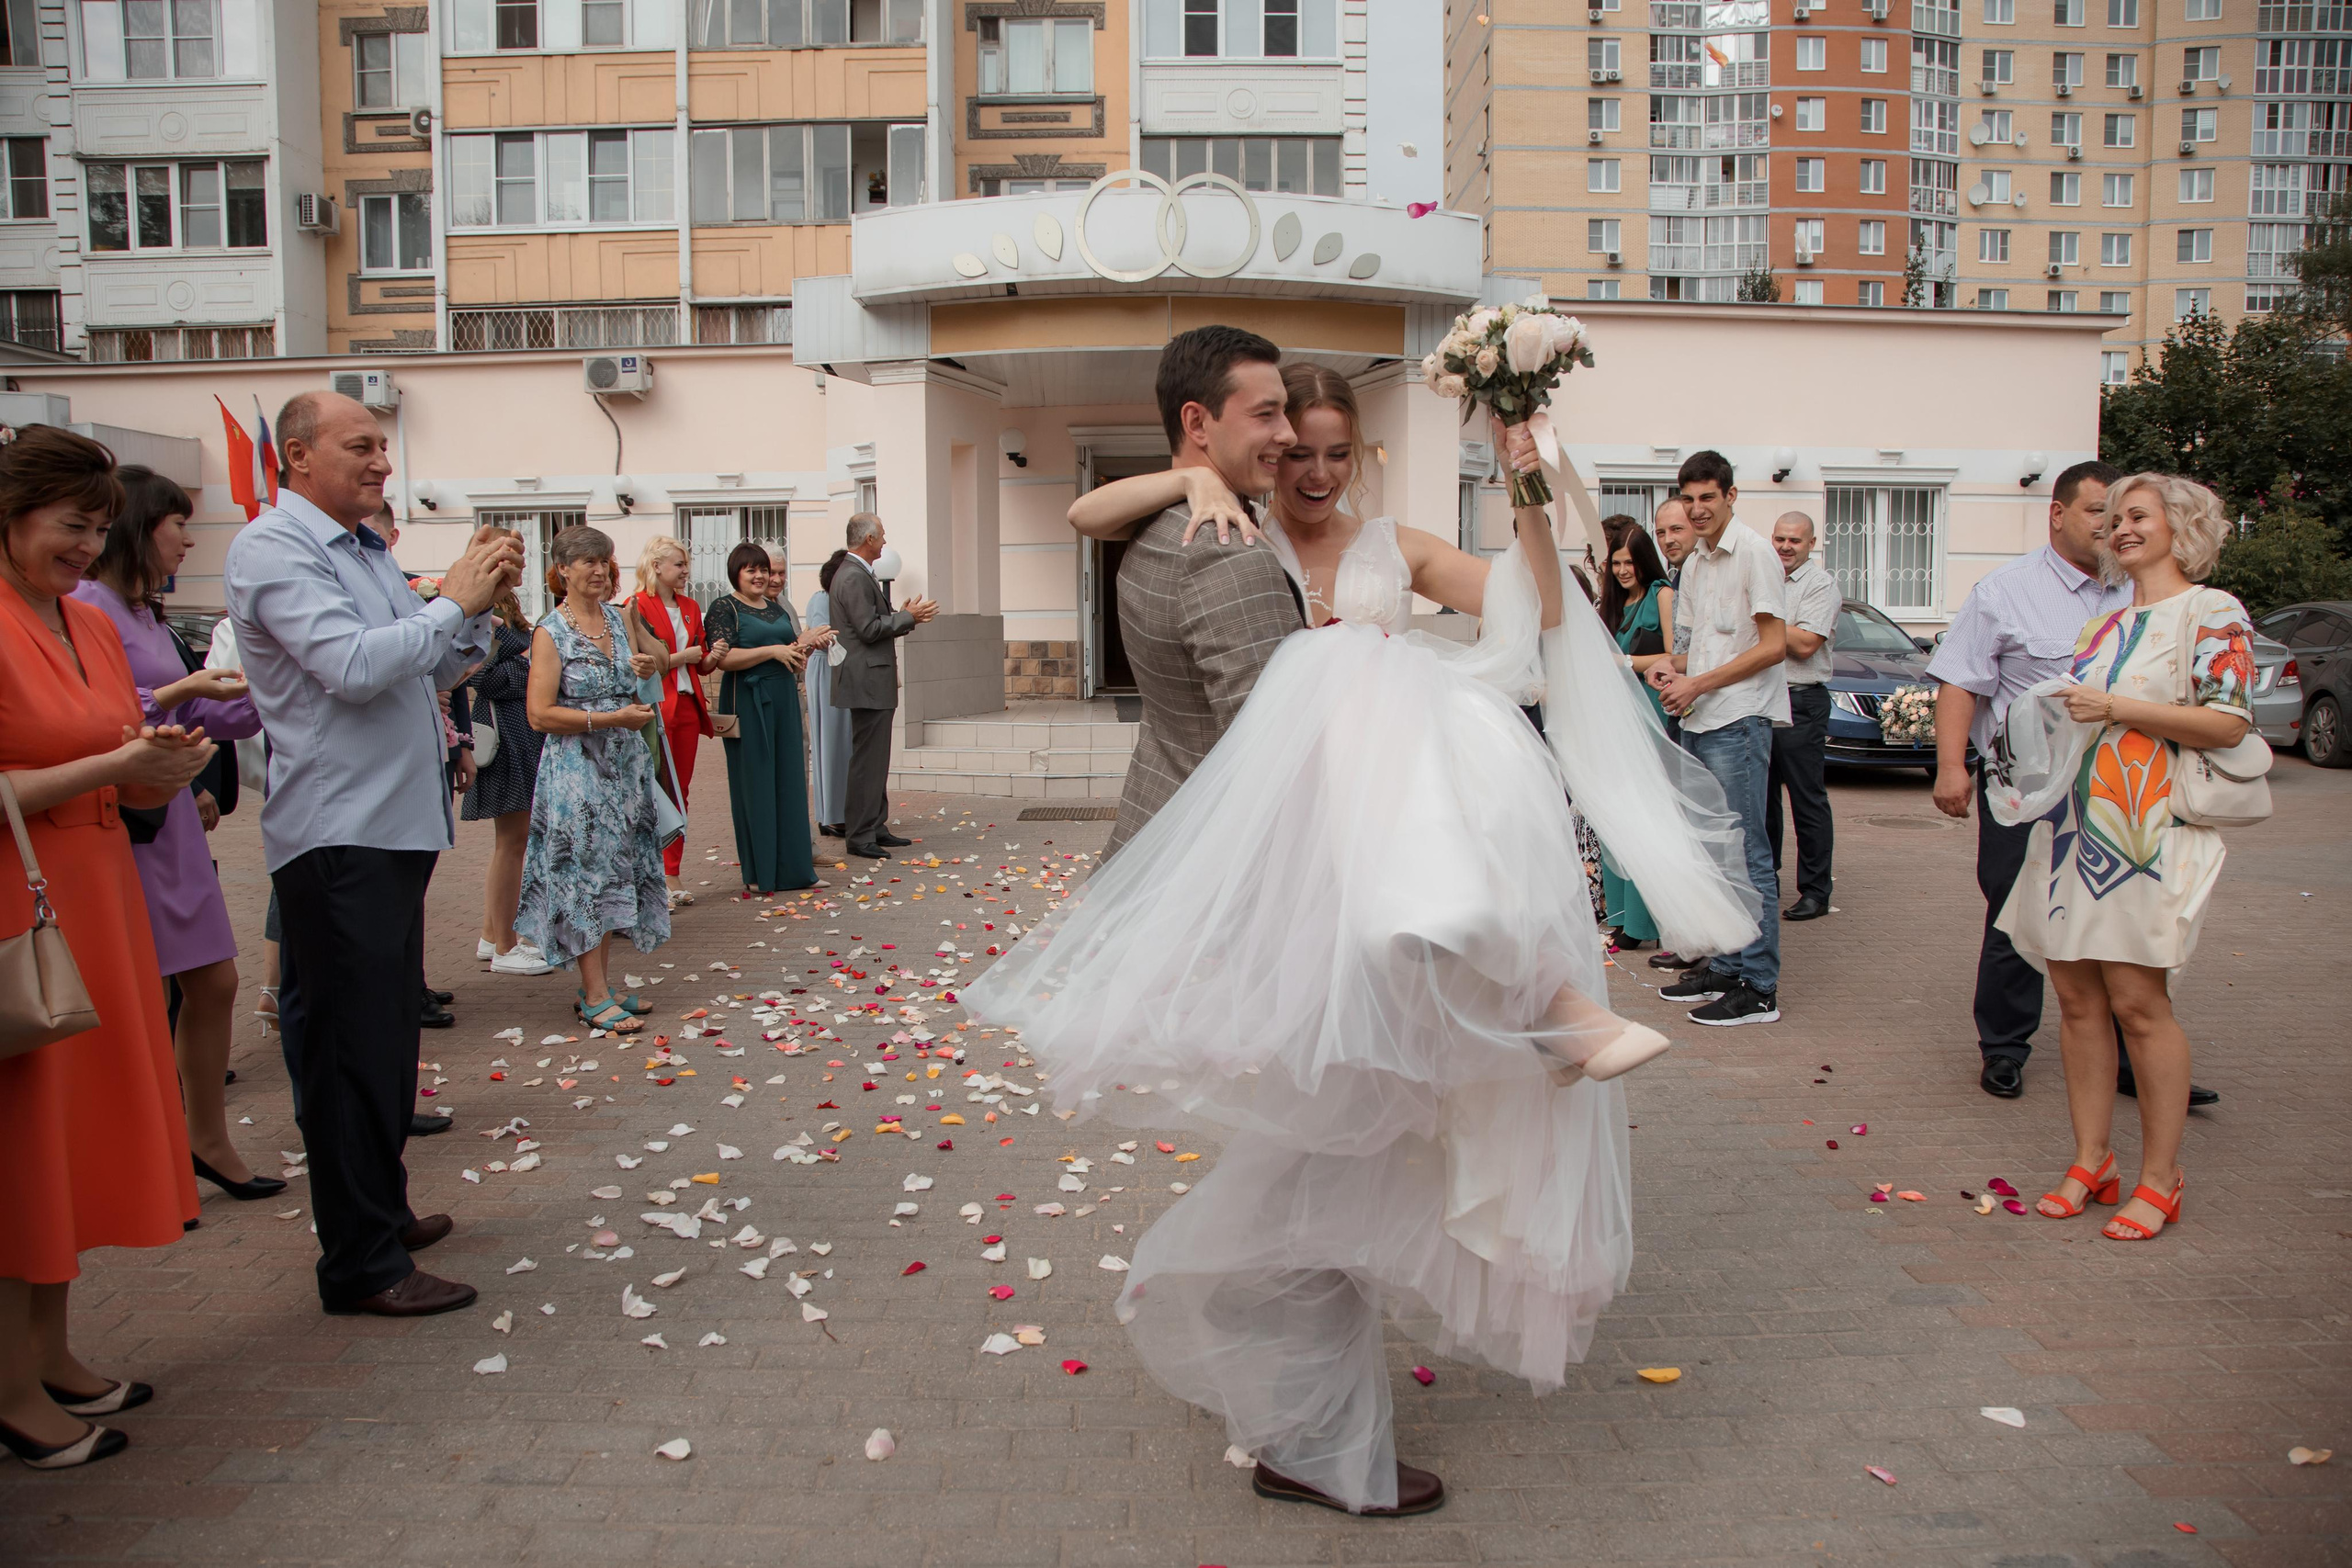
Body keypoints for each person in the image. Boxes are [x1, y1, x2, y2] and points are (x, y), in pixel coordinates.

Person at [1018, 329, 1757, 1518]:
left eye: (1330, 449)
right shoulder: (1229, 544)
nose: (1308, 466)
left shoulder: (1379, 545)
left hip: (1355, 869)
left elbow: (1542, 607)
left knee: (1331, 1142)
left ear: (1358, 455)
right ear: (1239, 442)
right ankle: (1291, 1398)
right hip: (1307, 881)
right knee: (1327, 1151)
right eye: (1285, 441)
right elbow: (1111, 529)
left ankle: (1276, 1370)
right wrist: (1191, 478)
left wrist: (1523, 477)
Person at [225, 389, 522, 1319]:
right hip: (338, 830)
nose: (382, 463)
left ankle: (380, 1212)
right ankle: (359, 1260)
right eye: (360, 446)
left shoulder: (362, 549)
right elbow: (351, 667)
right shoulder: (274, 548)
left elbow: (431, 665)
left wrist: (473, 610)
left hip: (392, 825)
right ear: (298, 455)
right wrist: (448, 602)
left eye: (382, 447)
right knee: (348, 1052)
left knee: (386, 1041)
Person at [0, 425, 211, 1470]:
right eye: (70, 527)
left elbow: (108, 746)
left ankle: (48, 1350)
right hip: (20, 907)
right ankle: (8, 1385)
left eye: (96, 529)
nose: (87, 548)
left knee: (70, 1138)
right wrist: (112, 770)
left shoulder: (80, 618)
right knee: (22, 1143)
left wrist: (157, 765)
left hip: (96, 895)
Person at [1995, 474, 2252, 1242]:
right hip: (2074, 828)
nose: (2121, 529)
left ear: (2181, 525)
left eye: (2138, 515)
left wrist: (2115, 707)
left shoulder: (2213, 611)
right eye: (2113, 519)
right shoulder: (2101, 628)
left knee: (2139, 1003)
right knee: (2076, 1000)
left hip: (2149, 833)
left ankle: (2161, 1178)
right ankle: (2092, 1160)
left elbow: (2228, 723)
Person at [1924, 462, 2215, 1109]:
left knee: (2121, 919)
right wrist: (1950, 767)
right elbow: (1961, 681)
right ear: (2057, 514)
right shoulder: (2006, 590)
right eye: (2100, 512)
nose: (2114, 527)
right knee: (2017, 913)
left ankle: (2134, 1057)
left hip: (2118, 792)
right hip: (2028, 788)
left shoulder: (2145, 591)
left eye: (2129, 515)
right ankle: (2005, 1047)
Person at [73, 465, 277, 1201]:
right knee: (147, 997)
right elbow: (103, 712)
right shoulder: (87, 604)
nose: (188, 539)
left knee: (214, 981)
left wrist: (267, 689)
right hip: (128, 823)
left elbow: (196, 714)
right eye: (179, 523)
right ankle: (158, 1155)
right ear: (139, 527)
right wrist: (185, 690)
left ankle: (202, 1140)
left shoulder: (144, 611)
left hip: (173, 824)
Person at [516, 527, 672, 1032]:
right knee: (585, 876)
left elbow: (653, 668)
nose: (600, 571)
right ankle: (595, 996)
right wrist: (607, 719)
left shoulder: (615, 618)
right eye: (588, 562)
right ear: (563, 569)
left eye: (605, 561)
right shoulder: (550, 631)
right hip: (578, 770)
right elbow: (539, 714)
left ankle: (596, 986)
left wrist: (643, 668)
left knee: (613, 872)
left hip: (624, 767)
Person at [1650, 452, 1788, 1026]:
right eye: (1689, 499)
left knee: (1748, 852)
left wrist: (1698, 683)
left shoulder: (1754, 553)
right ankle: (1728, 966)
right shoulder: (1696, 564)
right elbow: (1696, 651)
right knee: (1714, 849)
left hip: (1740, 719)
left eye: (1708, 497)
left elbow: (1774, 646)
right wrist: (1668, 669)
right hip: (1700, 718)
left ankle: (1759, 987)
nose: (1697, 509)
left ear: (1731, 496)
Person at [705, 541, 833, 894]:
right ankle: (760, 872)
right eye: (753, 570)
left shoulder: (775, 608)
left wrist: (807, 646)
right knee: (756, 784)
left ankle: (797, 871)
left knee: (790, 781)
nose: (761, 576)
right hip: (749, 699)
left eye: (764, 569)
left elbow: (789, 652)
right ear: (736, 573)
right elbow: (723, 659)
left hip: (784, 698)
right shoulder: (724, 607)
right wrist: (772, 651)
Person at [829, 515, 936, 859]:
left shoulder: (857, 572)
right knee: (868, 760)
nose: (885, 541)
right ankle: (860, 835)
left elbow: (873, 622)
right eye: (882, 535)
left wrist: (901, 615)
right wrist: (908, 618)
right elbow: (868, 629)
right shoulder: (852, 575)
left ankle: (875, 826)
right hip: (866, 681)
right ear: (869, 539)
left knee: (875, 758)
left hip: (870, 679)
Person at [626, 536, 720, 905]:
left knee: (679, 790)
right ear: (656, 566)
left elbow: (702, 661)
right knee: (651, 789)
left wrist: (714, 655)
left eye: (686, 564)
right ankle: (648, 877)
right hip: (653, 708)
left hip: (686, 706)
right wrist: (684, 657)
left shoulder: (691, 606)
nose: (685, 571)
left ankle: (671, 872)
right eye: (679, 564)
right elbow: (640, 659)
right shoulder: (636, 605)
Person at [1597, 525, 1675, 949]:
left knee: (1645, 819)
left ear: (1644, 561)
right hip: (1615, 717)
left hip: (1650, 715)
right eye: (1617, 563)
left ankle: (1644, 924)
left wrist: (1625, 662)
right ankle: (1622, 917)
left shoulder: (1662, 594)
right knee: (1614, 818)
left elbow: (1675, 655)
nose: (1623, 570)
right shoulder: (1612, 603)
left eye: (1630, 562)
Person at [1765, 512, 1839, 922]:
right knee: (1762, 800)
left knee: (1806, 799)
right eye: (1780, 539)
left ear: (1811, 544)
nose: (1785, 547)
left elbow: (1807, 643)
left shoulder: (1820, 585)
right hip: (1762, 699)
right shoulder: (1765, 578)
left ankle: (1815, 891)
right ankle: (1767, 879)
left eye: (1794, 540)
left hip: (1800, 700)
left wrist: (1763, 618)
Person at [804, 550, 854, 838]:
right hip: (827, 670)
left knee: (843, 742)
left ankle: (838, 811)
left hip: (841, 670)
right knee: (831, 740)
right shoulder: (821, 599)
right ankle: (831, 815)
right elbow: (824, 638)